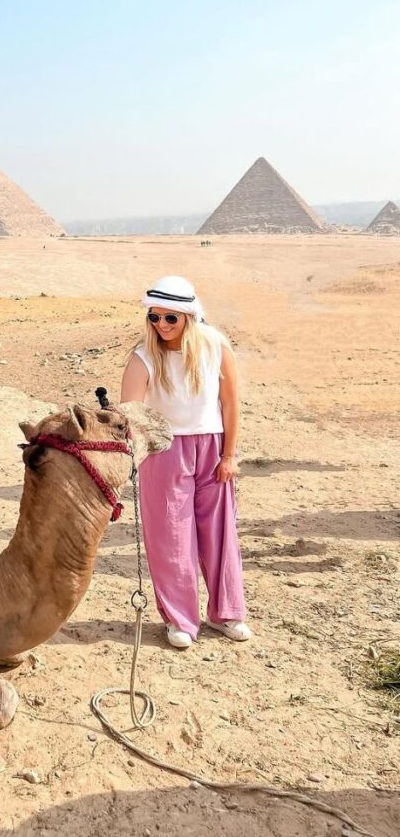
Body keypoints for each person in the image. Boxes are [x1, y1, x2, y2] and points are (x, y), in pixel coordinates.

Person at [120, 275, 250, 648]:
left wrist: (229, 456)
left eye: (170, 318)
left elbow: (230, 403)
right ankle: (180, 620)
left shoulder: (216, 345)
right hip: (164, 451)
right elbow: (131, 411)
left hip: (212, 448)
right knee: (171, 537)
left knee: (219, 534)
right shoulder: (143, 356)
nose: (161, 325)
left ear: (188, 317)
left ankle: (227, 613)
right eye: (154, 317)